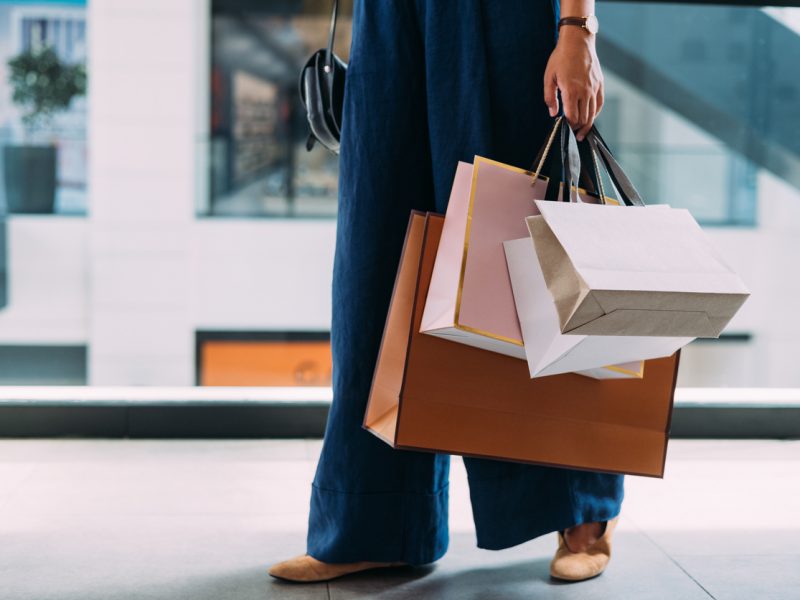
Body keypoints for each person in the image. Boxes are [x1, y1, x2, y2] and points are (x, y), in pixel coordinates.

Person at [270, 0, 618, 584]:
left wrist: (577, 25)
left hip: (510, 18)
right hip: (391, 18)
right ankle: (377, 521)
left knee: (527, 252)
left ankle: (581, 512)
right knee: (376, 260)